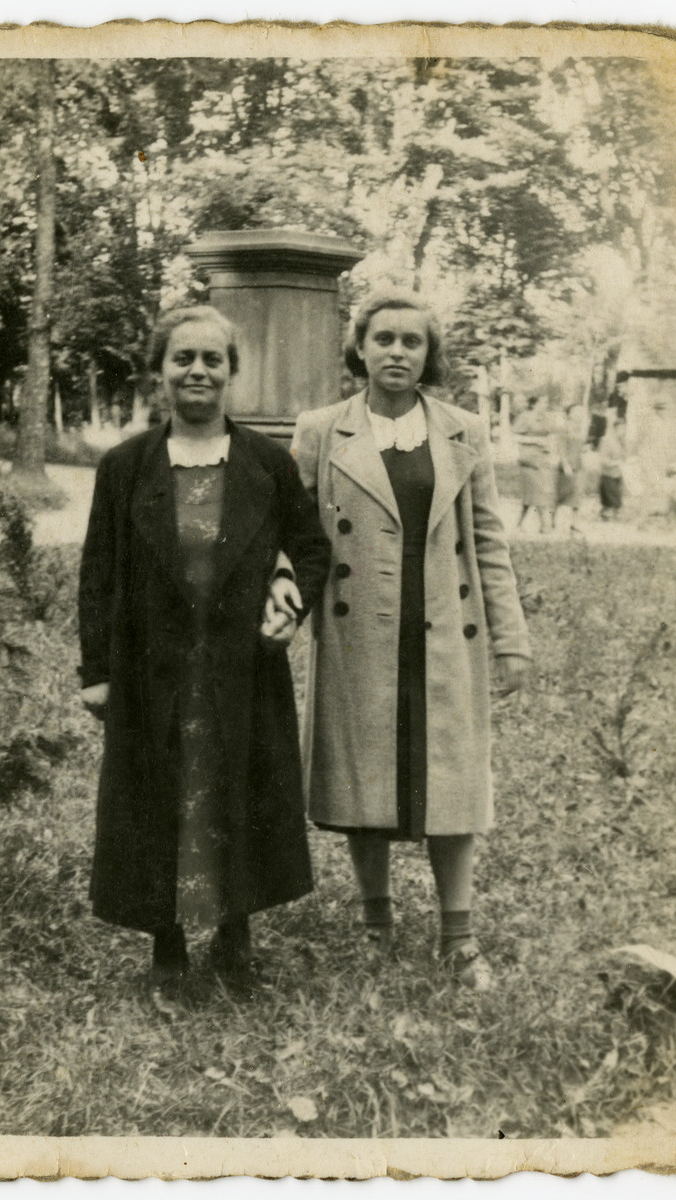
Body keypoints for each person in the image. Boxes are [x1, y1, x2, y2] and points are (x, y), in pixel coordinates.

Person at [78, 306, 330, 994]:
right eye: (182, 358)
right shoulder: (126, 466)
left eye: (212, 360)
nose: (197, 371)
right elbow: (98, 572)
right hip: (150, 669)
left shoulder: (267, 466)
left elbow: (310, 549)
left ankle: (234, 933)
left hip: (240, 670)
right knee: (162, 797)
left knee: (236, 790)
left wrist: (288, 595)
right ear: (159, 372)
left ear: (231, 374)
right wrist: (97, 671)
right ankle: (166, 940)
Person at [288, 289, 530, 989]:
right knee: (366, 774)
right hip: (358, 630)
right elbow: (299, 541)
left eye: (412, 342)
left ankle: (460, 936)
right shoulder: (321, 430)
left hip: (445, 631)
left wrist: (511, 639)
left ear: (430, 355)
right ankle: (375, 921)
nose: (397, 352)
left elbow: (487, 541)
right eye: (384, 339)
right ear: (359, 347)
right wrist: (275, 618)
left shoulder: (463, 431)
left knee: (452, 778)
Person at [513, 394, 556, 534]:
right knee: (537, 492)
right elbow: (515, 436)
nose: (545, 405)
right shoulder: (525, 417)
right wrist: (535, 441)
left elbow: (549, 435)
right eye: (543, 403)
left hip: (542, 459)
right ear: (534, 404)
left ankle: (519, 524)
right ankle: (545, 526)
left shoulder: (546, 418)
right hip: (529, 459)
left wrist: (549, 447)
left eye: (546, 403)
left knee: (533, 494)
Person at [553, 403, 587, 534]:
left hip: (578, 465)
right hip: (566, 466)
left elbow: (579, 446)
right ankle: (552, 520)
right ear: (569, 414)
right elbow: (561, 447)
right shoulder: (564, 428)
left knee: (578, 494)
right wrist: (565, 464)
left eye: (580, 412)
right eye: (575, 412)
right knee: (561, 494)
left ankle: (574, 523)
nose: (578, 414)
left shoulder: (580, 429)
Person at [598, 415, 626, 520]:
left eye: (624, 429)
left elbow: (624, 457)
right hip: (608, 474)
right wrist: (615, 463)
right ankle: (608, 515)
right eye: (621, 428)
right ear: (615, 428)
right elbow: (602, 459)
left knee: (616, 497)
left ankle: (610, 514)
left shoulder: (622, 441)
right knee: (611, 499)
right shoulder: (606, 440)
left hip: (618, 474)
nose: (623, 431)